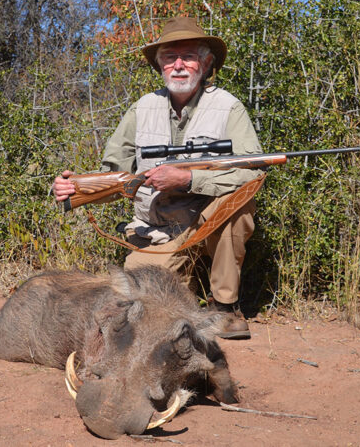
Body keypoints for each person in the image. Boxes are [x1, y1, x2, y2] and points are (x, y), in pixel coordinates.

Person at [53, 17, 263, 340]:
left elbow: (252, 172)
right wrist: (75, 187)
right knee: (137, 308)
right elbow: (115, 177)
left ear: (205, 64)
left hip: (207, 225)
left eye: (188, 57)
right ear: (160, 66)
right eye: (169, 57)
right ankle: (186, 287)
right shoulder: (142, 109)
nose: (179, 65)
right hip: (158, 233)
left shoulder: (228, 108)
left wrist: (188, 179)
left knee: (239, 203)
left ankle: (225, 306)